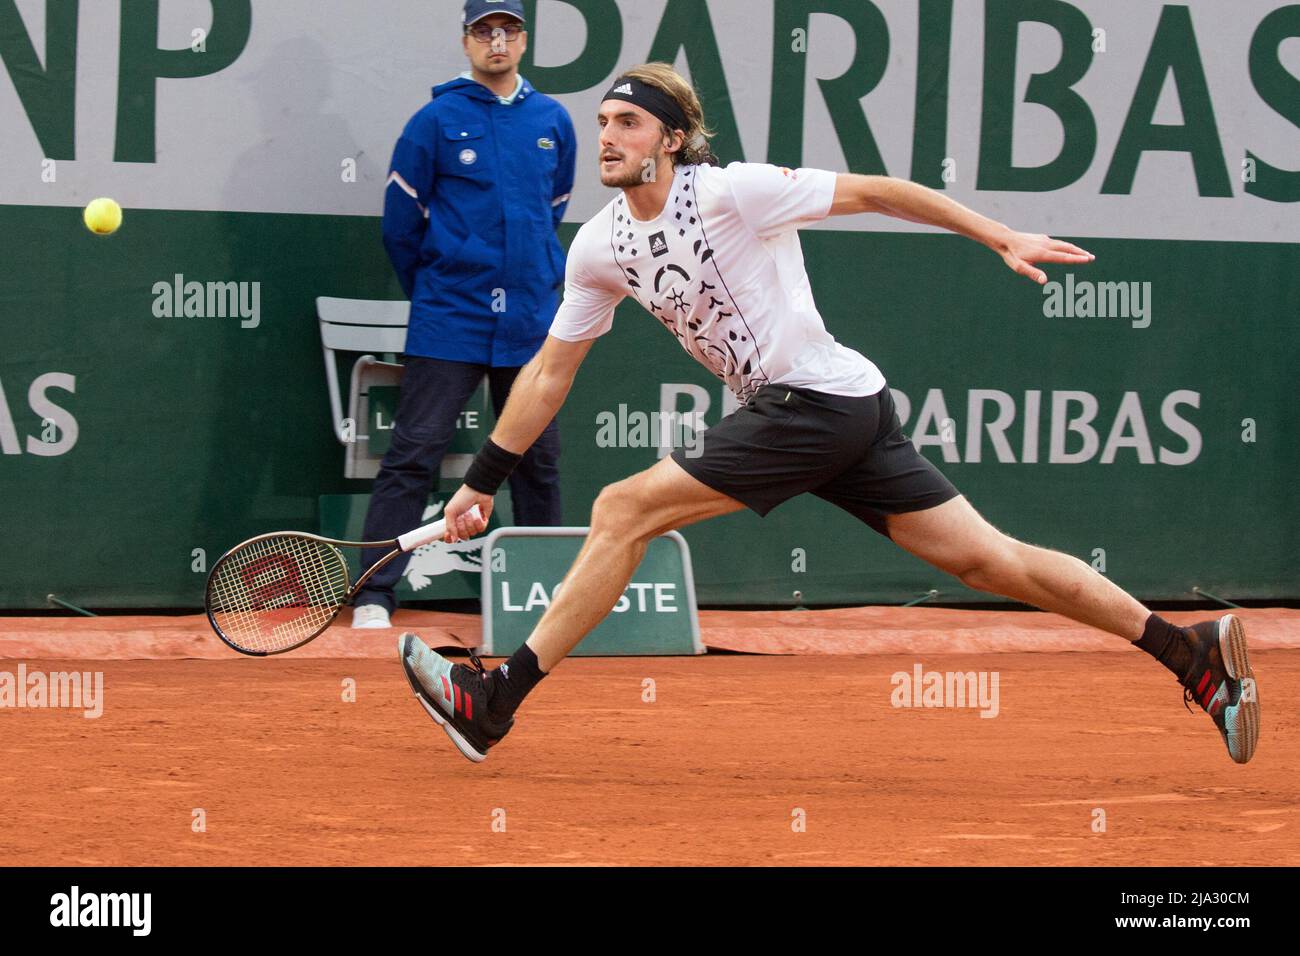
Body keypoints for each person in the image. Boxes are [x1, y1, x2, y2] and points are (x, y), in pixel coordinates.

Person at [397, 62, 1260, 766]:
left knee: (623, 508)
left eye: (628, 123)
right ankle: (1190, 652)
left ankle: (493, 701)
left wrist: (998, 235)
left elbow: (880, 191)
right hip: (834, 410)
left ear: (671, 136)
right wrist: (483, 480)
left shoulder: (734, 191)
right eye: (603, 124)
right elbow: (550, 371)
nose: (609, 138)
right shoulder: (599, 245)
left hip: (816, 399)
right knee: (990, 562)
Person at [352, 0, 576, 628]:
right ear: (467, 42)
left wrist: (522, 274)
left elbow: (550, 209)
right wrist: (440, 288)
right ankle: (374, 593)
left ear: (524, 40)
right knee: (413, 452)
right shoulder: (434, 119)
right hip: (449, 316)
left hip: (530, 320)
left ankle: (543, 597)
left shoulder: (553, 120)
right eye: (484, 31)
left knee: (537, 457)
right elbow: (401, 228)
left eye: (507, 30)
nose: (496, 41)